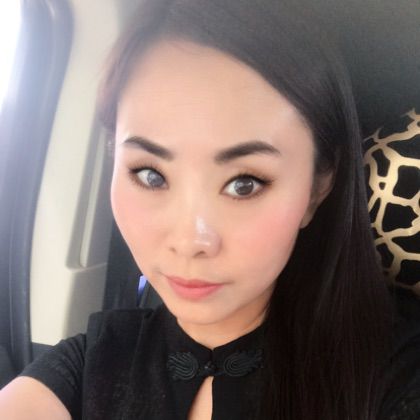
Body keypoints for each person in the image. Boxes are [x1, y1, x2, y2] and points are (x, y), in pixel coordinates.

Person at [1, 0, 419, 419]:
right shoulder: (93, 361)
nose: (189, 241)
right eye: (150, 175)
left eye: (244, 184)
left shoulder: (395, 374)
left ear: (317, 188)